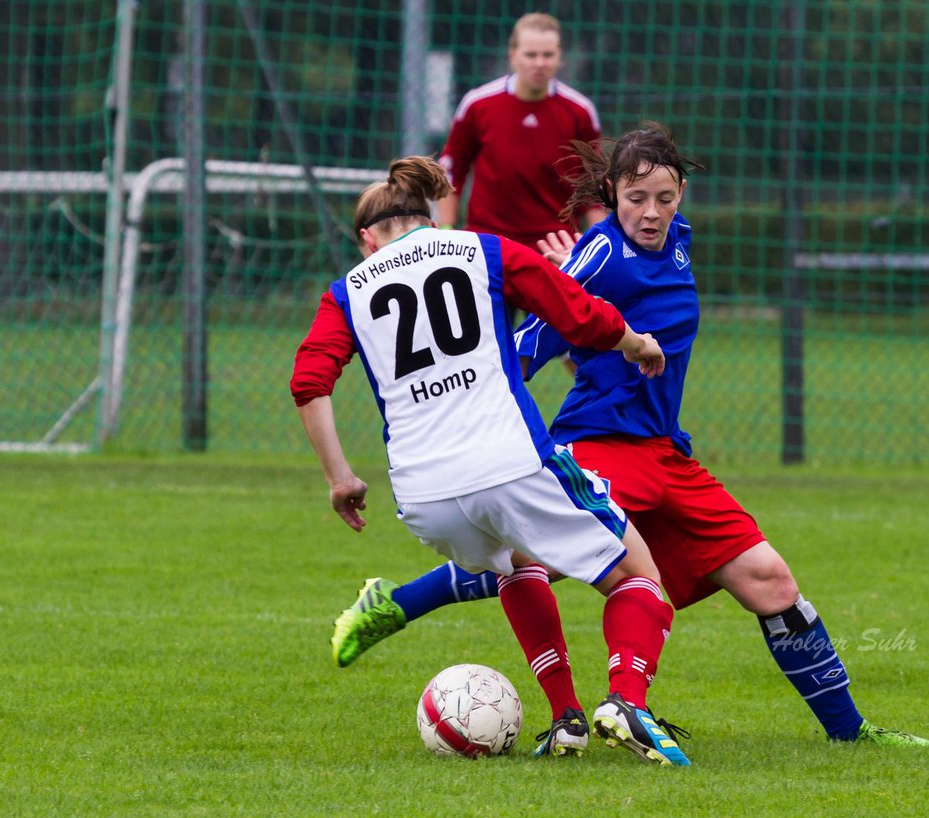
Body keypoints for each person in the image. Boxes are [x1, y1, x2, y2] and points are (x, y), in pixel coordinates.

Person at [330, 125, 929, 749]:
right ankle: (397, 607)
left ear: (681, 195)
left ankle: (851, 734)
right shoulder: (599, 253)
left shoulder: (678, 243)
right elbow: (529, 343)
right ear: (611, 192)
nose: (651, 212)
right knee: (533, 560)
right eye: (636, 197)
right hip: (601, 440)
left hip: (667, 451)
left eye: (665, 197)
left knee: (771, 582)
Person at [294, 155, 691, 766]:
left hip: (424, 498)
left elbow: (309, 381)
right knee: (640, 578)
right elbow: (575, 312)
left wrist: (340, 478)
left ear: (367, 239)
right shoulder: (481, 250)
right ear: (429, 218)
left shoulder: (347, 289)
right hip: (511, 462)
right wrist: (636, 344)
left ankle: (567, 721)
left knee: (516, 566)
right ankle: (627, 702)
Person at [437, 12, 605, 248]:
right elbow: (452, 170)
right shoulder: (477, 104)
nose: (539, 63)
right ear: (513, 55)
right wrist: (446, 230)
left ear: (560, 58)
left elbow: (592, 190)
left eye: (547, 55)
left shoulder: (581, 112)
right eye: (530, 54)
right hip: (487, 242)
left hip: (555, 246)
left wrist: (599, 244)